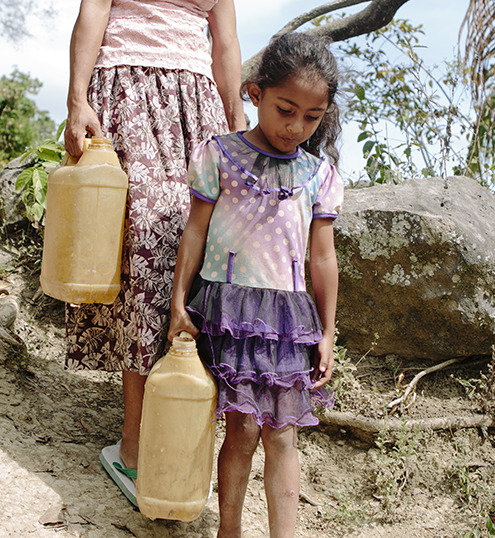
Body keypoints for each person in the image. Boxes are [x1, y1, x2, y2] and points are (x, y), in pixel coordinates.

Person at [62, 0, 247, 502]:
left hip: (197, 105)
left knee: (199, 252)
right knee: (144, 247)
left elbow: (225, 43)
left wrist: (236, 119)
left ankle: (181, 437)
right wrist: (77, 100)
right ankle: (134, 447)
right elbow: (94, 10)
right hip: (126, 89)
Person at [168, 32, 343, 538]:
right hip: (227, 308)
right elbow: (195, 231)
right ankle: (229, 531)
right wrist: (180, 302)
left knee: (283, 435)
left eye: (312, 118)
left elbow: (322, 256)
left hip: (288, 320)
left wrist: (327, 332)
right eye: (286, 109)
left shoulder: (319, 174)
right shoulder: (219, 155)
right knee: (241, 429)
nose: (296, 127)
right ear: (254, 93)